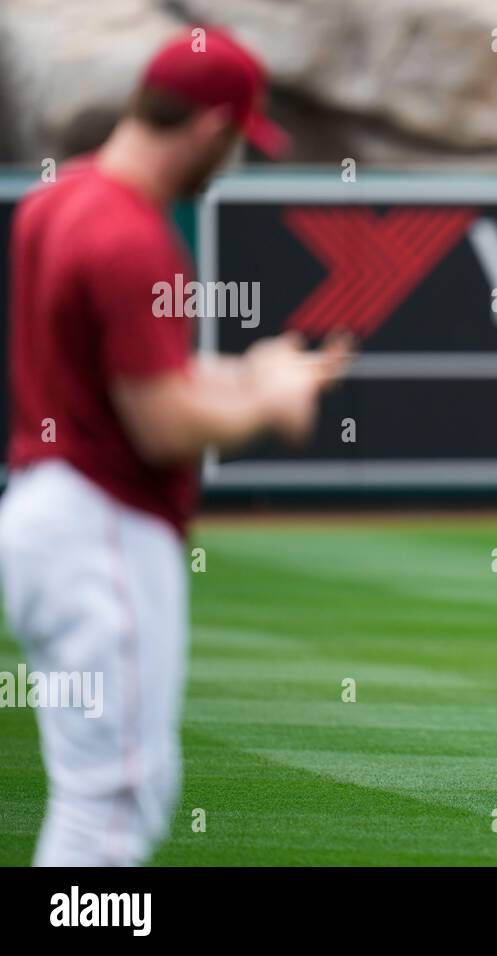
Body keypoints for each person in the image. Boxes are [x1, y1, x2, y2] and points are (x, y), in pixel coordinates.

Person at [0, 27, 351, 866]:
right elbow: (161, 424)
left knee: (102, 796)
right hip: (104, 529)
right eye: (236, 140)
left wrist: (245, 372)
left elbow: (135, 377)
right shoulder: (131, 236)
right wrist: (268, 402)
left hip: (48, 514)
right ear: (208, 129)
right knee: (112, 807)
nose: (232, 159)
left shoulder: (60, 200)